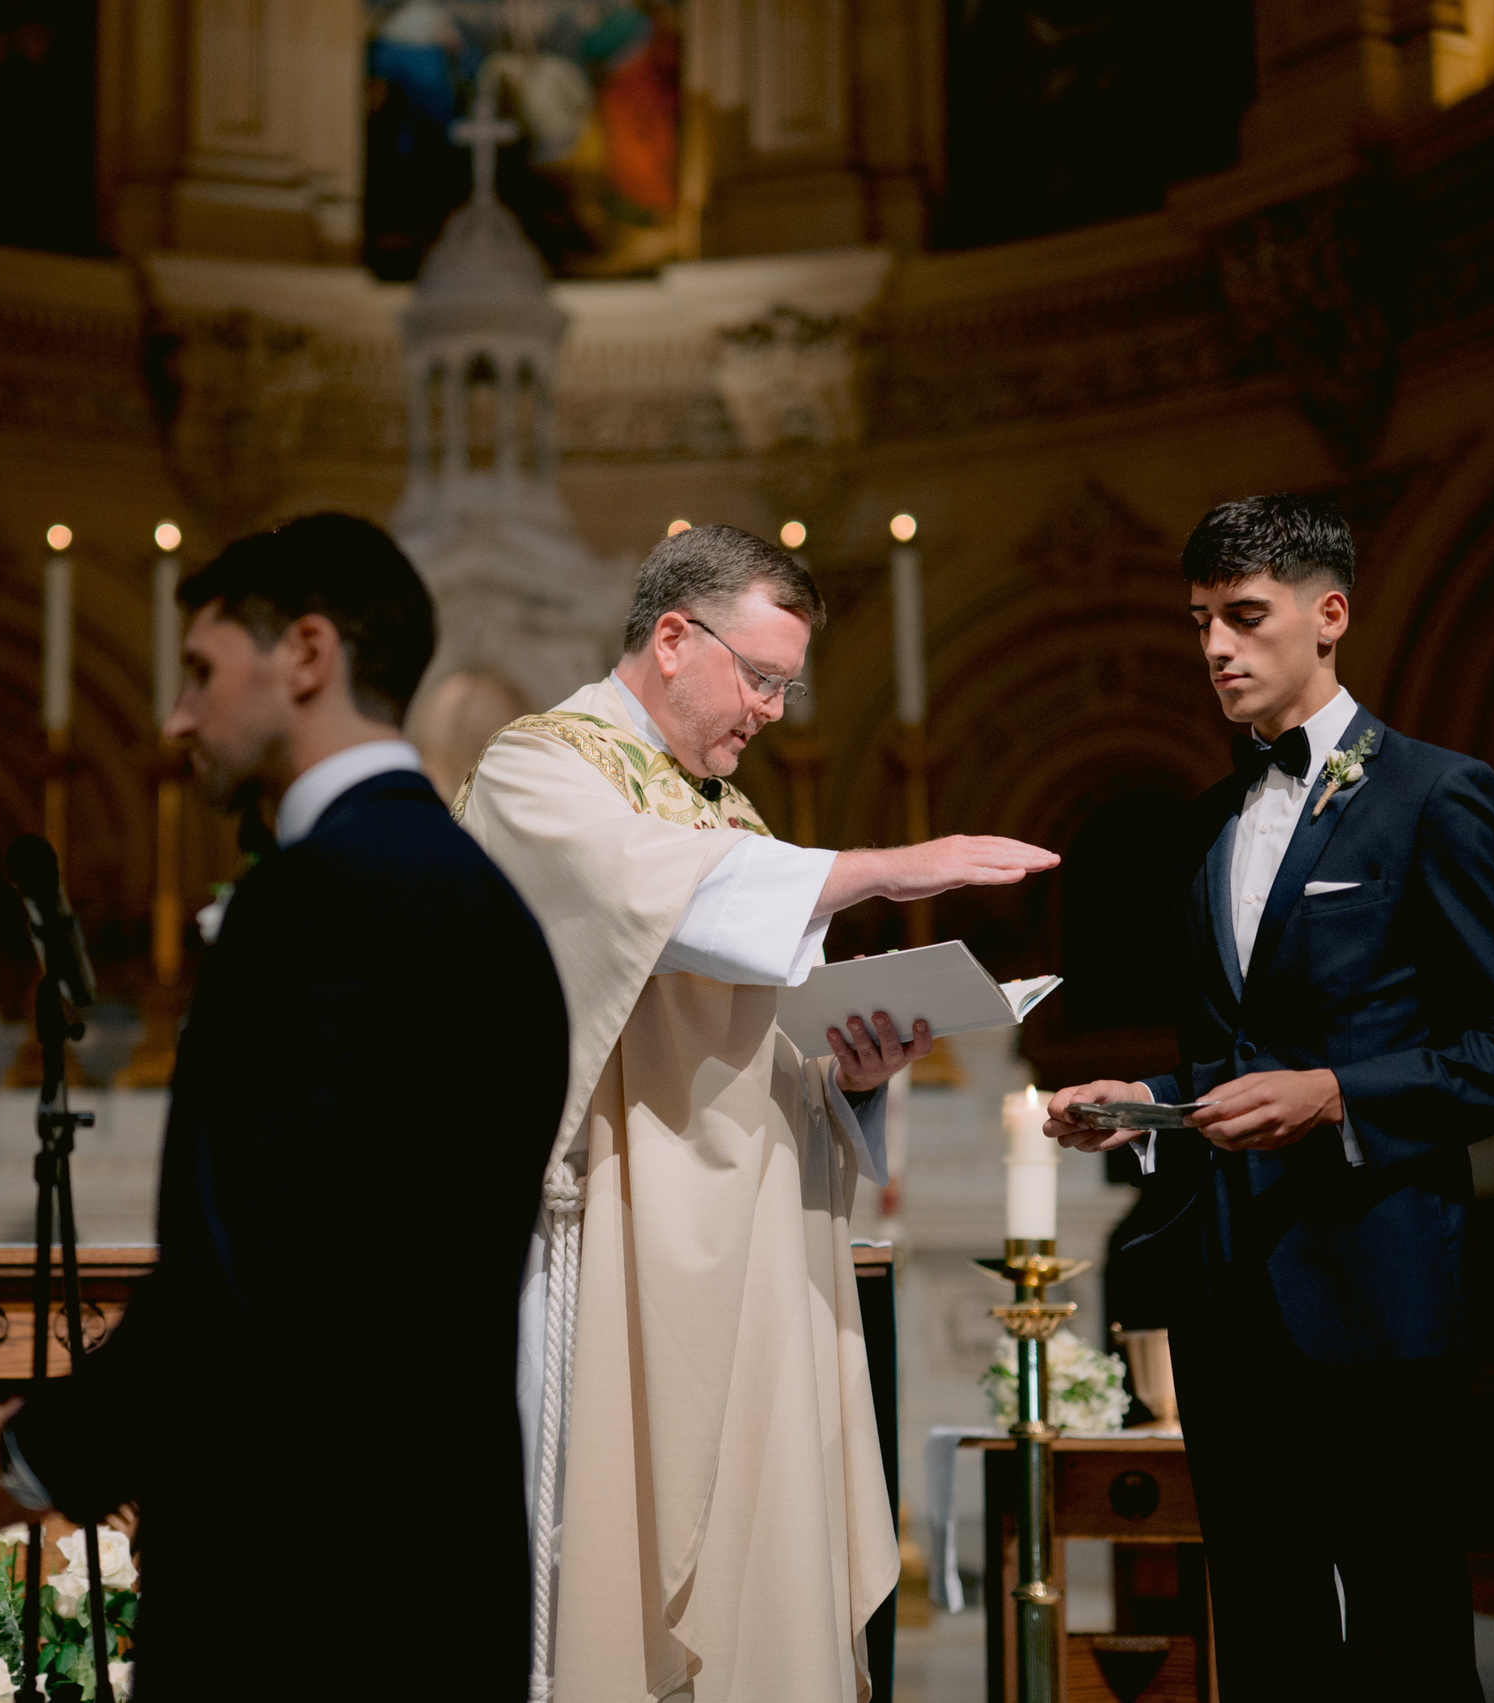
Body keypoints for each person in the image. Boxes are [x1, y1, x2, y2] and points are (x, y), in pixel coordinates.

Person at [0, 514, 569, 1698]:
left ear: (305, 653)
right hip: (453, 1578)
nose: (178, 718)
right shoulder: (498, 914)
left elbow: (242, 1278)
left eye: (201, 672)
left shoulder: (308, 903)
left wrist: (29, 1453)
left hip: (292, 1591)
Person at [451, 523, 1060, 1703]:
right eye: (760, 676)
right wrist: (886, 866)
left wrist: (854, 1070)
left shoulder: (729, 816)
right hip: (613, 1241)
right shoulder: (538, 769)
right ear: (672, 638)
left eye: (787, 685)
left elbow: (765, 1037)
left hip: (754, 1257)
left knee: (757, 1569)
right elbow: (648, 893)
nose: (773, 711)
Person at [1043, 495, 1494, 1700]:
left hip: (1378, 1290)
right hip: (1227, 1298)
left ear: (1328, 616)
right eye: (1199, 622)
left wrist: (1336, 1094)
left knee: (1408, 1633)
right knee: (1265, 1635)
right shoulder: (1204, 825)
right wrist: (1151, 1097)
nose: (1215, 647)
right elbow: (1239, 1054)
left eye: (1243, 615)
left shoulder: (1437, 795)